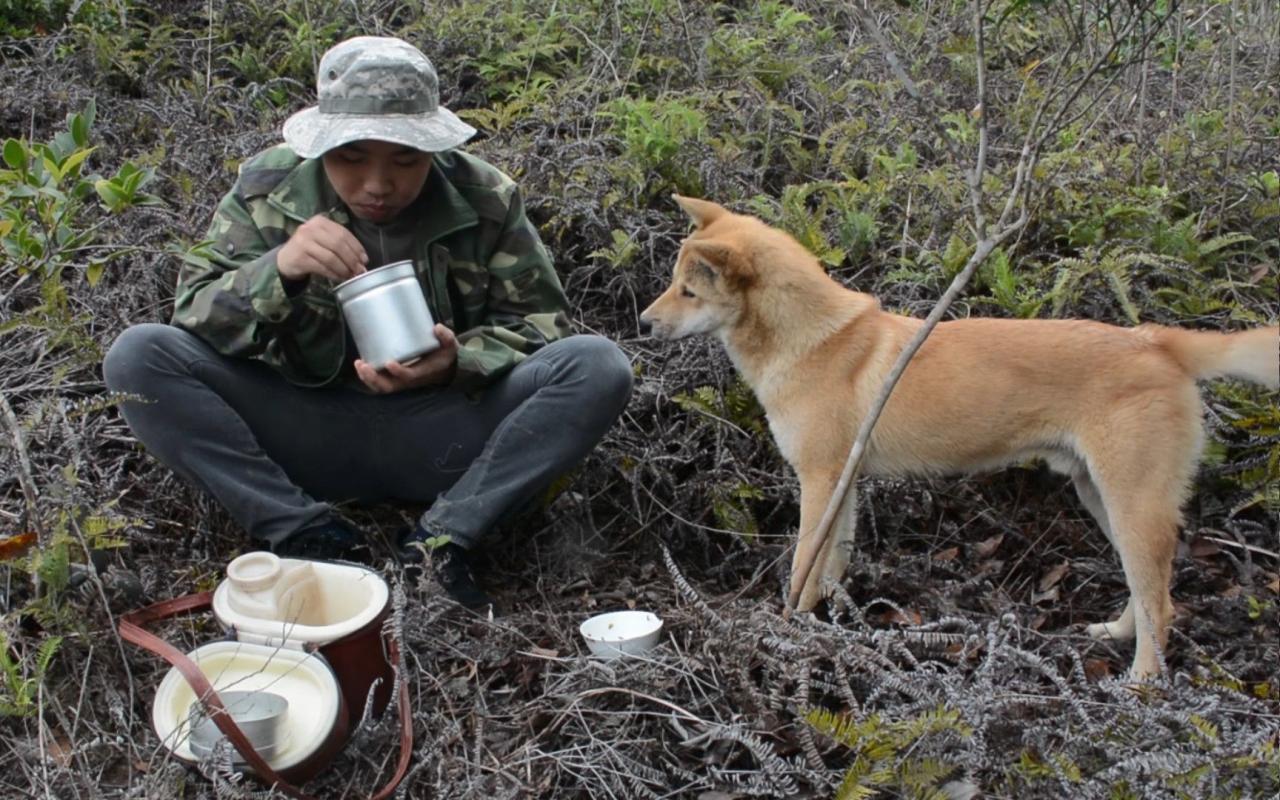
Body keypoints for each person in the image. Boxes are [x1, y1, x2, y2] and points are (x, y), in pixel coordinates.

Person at [103, 36, 633, 610]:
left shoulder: (483, 195)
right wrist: (278, 270)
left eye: (406, 160)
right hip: (304, 431)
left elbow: (542, 322)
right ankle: (306, 534)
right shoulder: (266, 188)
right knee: (139, 356)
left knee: (598, 365)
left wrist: (459, 363)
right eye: (351, 157)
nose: (378, 185)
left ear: (433, 149)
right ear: (321, 147)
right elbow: (195, 314)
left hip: (444, 436)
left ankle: (442, 539)